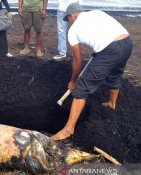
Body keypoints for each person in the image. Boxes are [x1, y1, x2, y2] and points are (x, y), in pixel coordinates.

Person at [51, 3, 133, 141]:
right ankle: (112, 104)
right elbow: (105, 32)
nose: (68, 23)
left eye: (68, 20)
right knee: (114, 75)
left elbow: (77, 60)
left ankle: (68, 129)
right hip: (126, 42)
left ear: (72, 16)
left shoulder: (73, 31)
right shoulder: (97, 12)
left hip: (109, 50)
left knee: (82, 87)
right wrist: (100, 52)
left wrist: (73, 81)